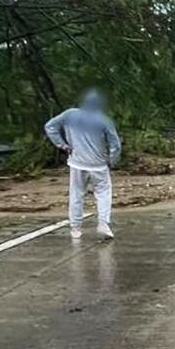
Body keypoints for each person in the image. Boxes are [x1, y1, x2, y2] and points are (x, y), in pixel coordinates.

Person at [44, 89, 122, 240]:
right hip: (98, 164)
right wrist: (113, 160)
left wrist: (62, 145)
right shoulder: (103, 120)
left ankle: (75, 228)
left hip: (77, 163)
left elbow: (50, 126)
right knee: (103, 193)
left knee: (76, 194)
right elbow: (115, 144)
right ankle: (103, 224)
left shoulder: (70, 114)